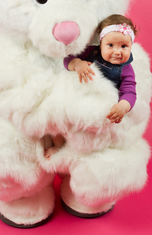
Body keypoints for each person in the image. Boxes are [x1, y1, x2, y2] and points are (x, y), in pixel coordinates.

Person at [44, 14, 138, 159]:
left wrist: (123, 106)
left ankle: (81, 154)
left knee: (86, 133)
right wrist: (77, 64)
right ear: (101, 43)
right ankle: (57, 145)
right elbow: (68, 58)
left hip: (98, 105)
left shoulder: (126, 69)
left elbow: (129, 90)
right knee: (62, 120)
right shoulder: (92, 52)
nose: (117, 52)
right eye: (110, 45)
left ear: (131, 46)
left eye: (124, 46)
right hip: (79, 93)